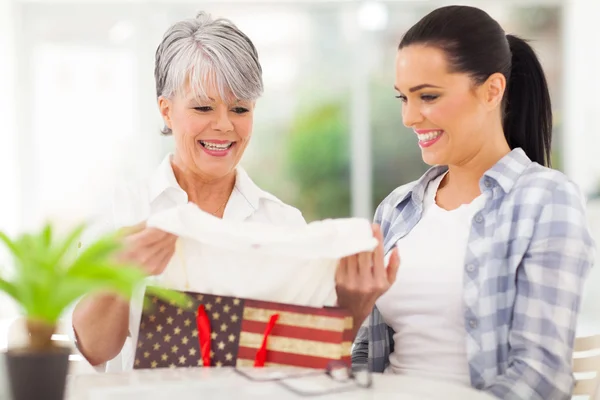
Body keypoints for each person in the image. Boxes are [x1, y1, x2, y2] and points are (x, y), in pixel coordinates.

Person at [334, 5, 595, 400]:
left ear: (491, 90)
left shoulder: (546, 201)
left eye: (428, 96)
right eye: (403, 98)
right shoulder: (396, 209)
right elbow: (367, 356)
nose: (409, 117)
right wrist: (348, 313)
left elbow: (541, 375)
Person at [72, 12, 306, 372]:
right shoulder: (121, 212)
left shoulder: (284, 225)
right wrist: (119, 273)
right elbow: (94, 351)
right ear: (166, 110)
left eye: (240, 108)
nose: (224, 125)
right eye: (203, 107)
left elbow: (299, 356)